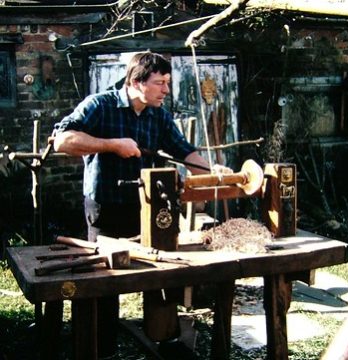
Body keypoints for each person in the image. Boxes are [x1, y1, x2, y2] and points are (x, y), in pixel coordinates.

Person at [53, 51, 231, 358]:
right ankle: (103, 346)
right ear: (137, 82)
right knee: (106, 277)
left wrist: (212, 172)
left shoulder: (158, 115)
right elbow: (62, 141)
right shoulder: (100, 105)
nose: (166, 90)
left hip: (148, 207)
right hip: (105, 206)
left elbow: (184, 152)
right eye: (160, 83)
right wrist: (111, 145)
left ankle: (164, 336)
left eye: (167, 83)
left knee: (161, 270)